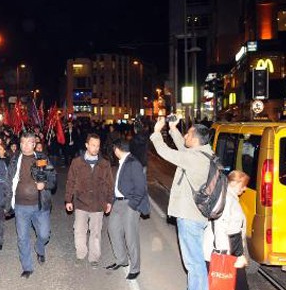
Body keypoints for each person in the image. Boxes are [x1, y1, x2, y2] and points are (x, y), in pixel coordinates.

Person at [150, 116, 213, 290]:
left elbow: (166, 153)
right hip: (197, 215)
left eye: (187, 134)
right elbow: (183, 149)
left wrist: (156, 132)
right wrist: (173, 129)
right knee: (196, 260)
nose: (185, 136)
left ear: (195, 139)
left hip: (189, 217)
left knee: (194, 263)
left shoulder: (195, 159)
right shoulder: (204, 153)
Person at [8, 131, 56, 278]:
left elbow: (53, 179)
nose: (25, 145)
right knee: (22, 238)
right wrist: (6, 203)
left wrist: (45, 184)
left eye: (29, 142)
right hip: (21, 206)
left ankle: (40, 248)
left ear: (34, 144)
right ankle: (27, 267)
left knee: (44, 234)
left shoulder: (42, 159)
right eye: (22, 142)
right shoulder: (15, 159)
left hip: (40, 205)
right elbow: (8, 180)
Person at [64, 133, 114, 268]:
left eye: (98, 146)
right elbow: (70, 181)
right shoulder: (77, 162)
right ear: (87, 145)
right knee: (79, 230)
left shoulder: (104, 164)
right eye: (93, 145)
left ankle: (94, 258)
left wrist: (109, 201)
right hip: (81, 202)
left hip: (98, 204)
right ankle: (80, 254)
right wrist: (68, 199)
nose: (96, 148)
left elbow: (110, 184)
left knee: (96, 232)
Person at [105, 139, 149, 279]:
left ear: (117, 149)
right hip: (118, 203)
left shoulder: (133, 163)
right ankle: (121, 260)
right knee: (112, 229)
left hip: (129, 203)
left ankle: (135, 268)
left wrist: (133, 205)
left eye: (113, 149)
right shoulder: (123, 162)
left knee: (131, 236)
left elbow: (141, 187)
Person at [203, 170, 251, 290]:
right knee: (239, 286)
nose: (245, 189)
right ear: (235, 183)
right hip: (225, 253)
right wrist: (238, 256)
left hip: (213, 250)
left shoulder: (221, 196)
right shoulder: (231, 201)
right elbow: (231, 231)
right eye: (243, 185)